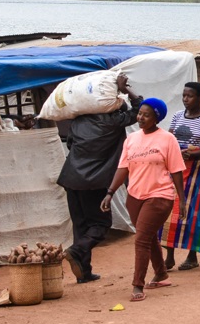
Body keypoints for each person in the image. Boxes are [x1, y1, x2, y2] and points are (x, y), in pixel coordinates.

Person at [58, 73, 142, 283]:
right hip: (94, 181)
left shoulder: (79, 121)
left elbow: (70, 144)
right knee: (101, 224)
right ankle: (77, 251)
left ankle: (84, 272)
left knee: (80, 225)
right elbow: (141, 108)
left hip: (70, 178)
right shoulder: (114, 121)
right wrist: (126, 89)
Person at [101, 98, 186, 302]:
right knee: (147, 236)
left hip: (160, 196)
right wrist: (110, 192)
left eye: (146, 115)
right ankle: (161, 274)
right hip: (135, 196)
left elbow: (176, 172)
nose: (140, 117)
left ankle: (137, 285)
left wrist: (182, 200)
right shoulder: (131, 139)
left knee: (141, 239)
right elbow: (123, 168)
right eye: (139, 113)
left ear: (156, 117)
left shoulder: (167, 139)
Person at [162, 82, 200, 271]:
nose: (186, 99)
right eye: (184, 96)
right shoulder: (178, 116)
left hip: (198, 171)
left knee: (194, 213)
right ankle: (169, 256)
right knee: (170, 211)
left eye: (190, 96)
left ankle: (192, 255)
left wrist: (191, 154)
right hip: (176, 169)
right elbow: (169, 139)